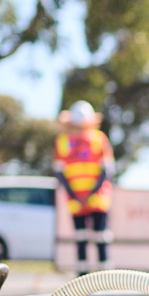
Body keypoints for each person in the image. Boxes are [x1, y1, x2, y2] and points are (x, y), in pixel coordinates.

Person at [54, 100, 115, 274]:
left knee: (101, 236)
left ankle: (105, 276)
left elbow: (107, 169)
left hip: (98, 197)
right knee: (80, 237)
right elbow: (59, 171)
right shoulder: (62, 141)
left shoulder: (99, 139)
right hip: (75, 198)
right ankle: (82, 276)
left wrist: (90, 193)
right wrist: (74, 194)